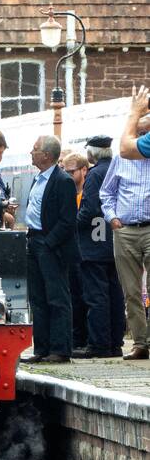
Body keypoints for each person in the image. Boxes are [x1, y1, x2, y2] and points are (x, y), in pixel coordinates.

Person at [20, 135, 77, 364]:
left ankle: (60, 349)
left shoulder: (62, 181)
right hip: (33, 241)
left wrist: (49, 243)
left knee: (57, 297)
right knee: (38, 298)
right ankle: (41, 348)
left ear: (46, 155)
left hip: (50, 244)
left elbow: (67, 219)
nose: (31, 153)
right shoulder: (37, 180)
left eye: (34, 149)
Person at [102, 100, 150, 359]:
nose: (143, 139)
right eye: (140, 134)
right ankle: (140, 343)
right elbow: (106, 192)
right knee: (131, 291)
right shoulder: (121, 159)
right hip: (126, 230)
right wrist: (113, 218)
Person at [73, 136, 125, 358]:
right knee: (115, 294)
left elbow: (91, 208)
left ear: (92, 154)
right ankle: (115, 343)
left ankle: (99, 345)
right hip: (114, 242)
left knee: (96, 297)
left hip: (94, 245)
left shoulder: (94, 174)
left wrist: (71, 225)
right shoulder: (117, 169)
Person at [62, 151, 90, 351]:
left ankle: (84, 337)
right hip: (71, 253)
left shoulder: (87, 195)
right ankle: (76, 337)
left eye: (71, 172)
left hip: (86, 253)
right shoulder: (67, 193)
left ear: (83, 170)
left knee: (84, 296)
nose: (67, 176)